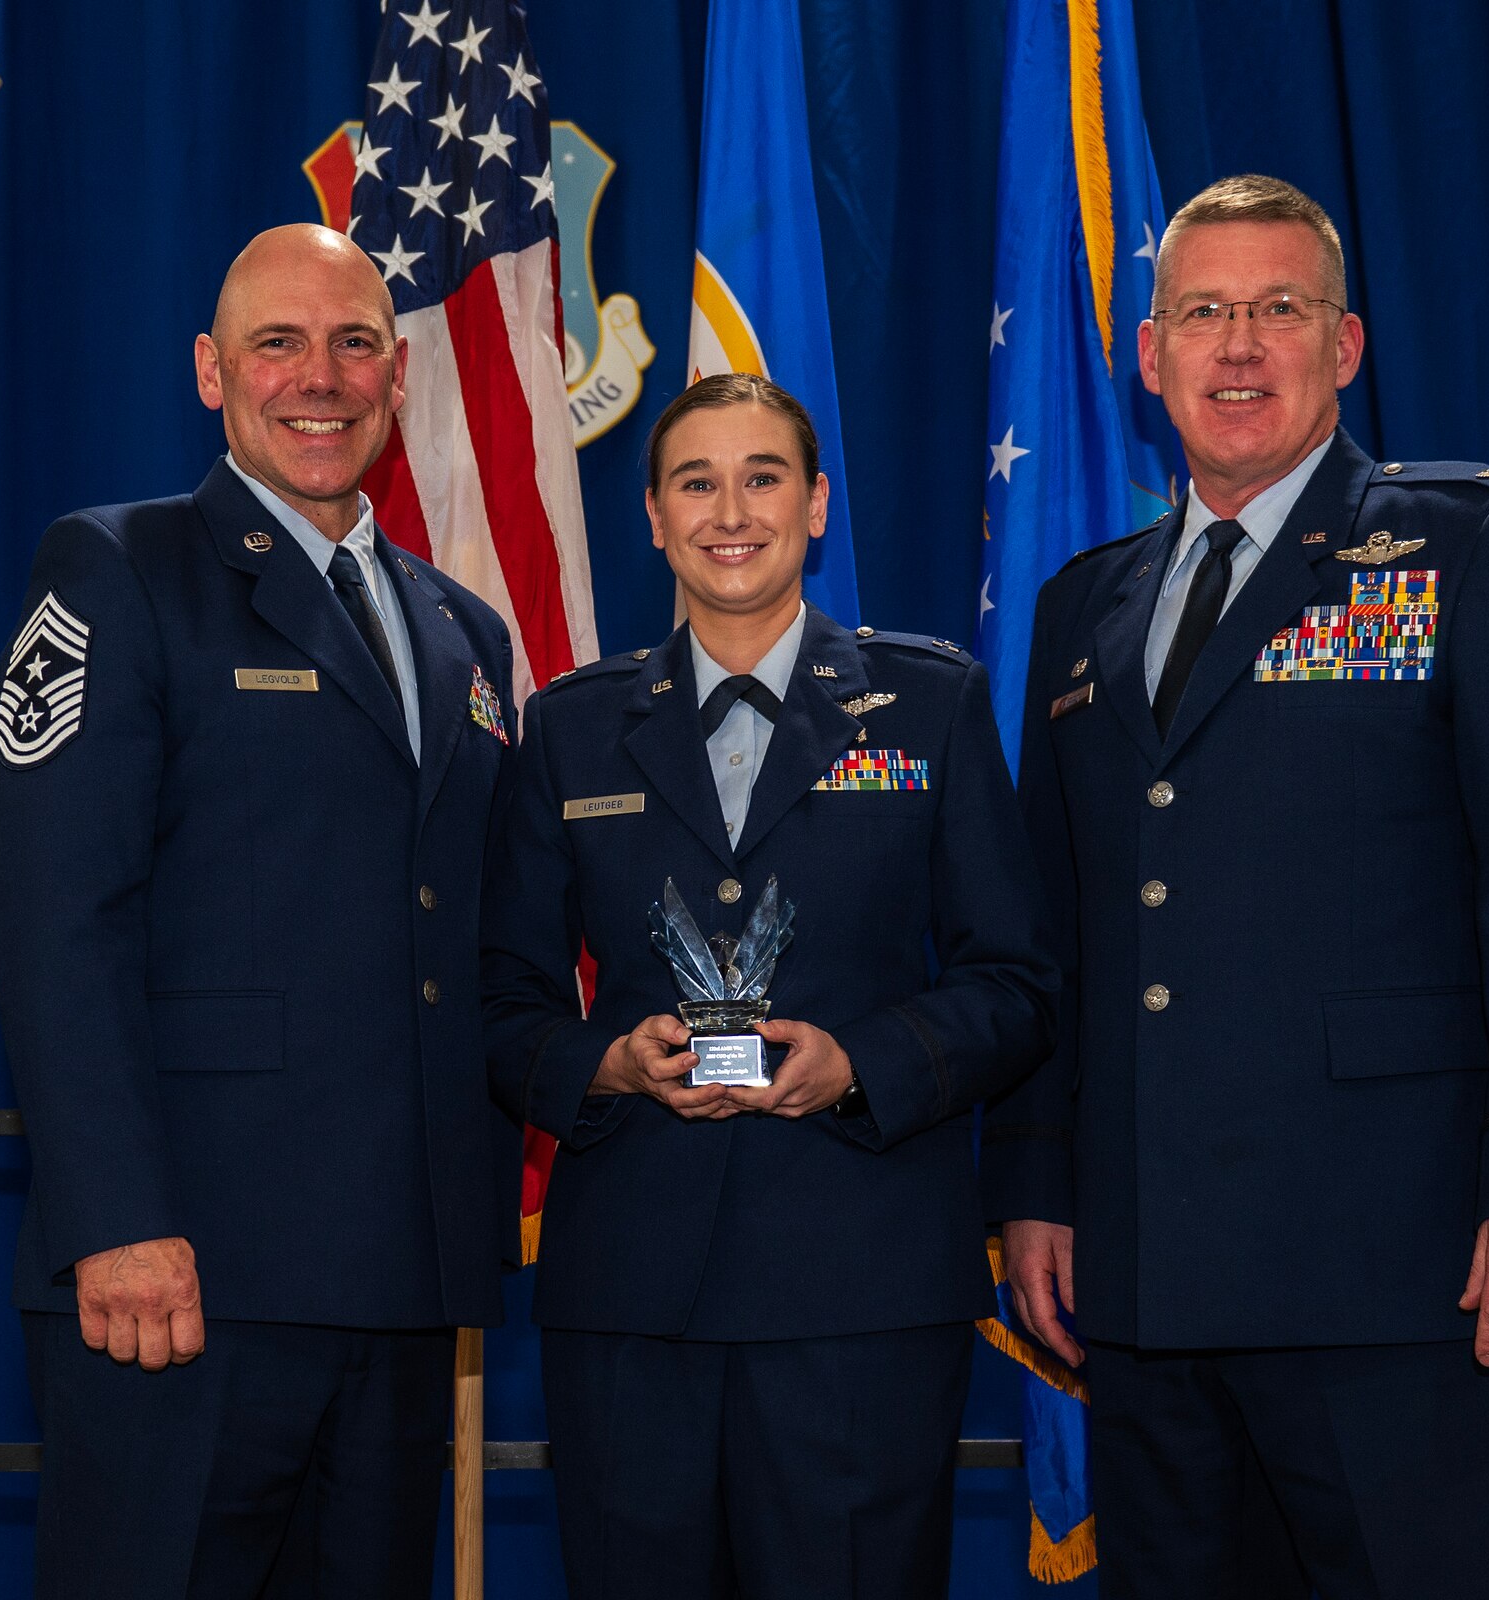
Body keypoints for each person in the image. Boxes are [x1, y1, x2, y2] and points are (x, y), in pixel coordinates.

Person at [987, 174, 1489, 1599]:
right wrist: (1038, 1183)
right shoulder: (1082, 606)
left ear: (1342, 348)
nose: (1240, 348)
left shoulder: (1471, 545)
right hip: (1152, 1283)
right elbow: (1065, 929)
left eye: (1278, 310)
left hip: (1404, 1274)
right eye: (1205, 313)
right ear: (1150, 354)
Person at [0, 224, 520, 1599]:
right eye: (277, 344)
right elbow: (59, 920)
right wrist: (114, 1219)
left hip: (401, 1288)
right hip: (182, 1283)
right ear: (212, 374)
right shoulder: (118, 572)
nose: (318, 378)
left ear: (399, 377)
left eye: (352, 344)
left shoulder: (464, 631)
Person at [482, 373, 1058, 1600]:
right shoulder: (571, 729)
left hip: (861, 1290)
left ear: (814, 506)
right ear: (648, 513)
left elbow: (1013, 980)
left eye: (761, 477)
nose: (727, 509)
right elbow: (500, 1000)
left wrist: (865, 1061)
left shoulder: (932, 704)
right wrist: (607, 1065)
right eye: (695, 481)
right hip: (631, 1294)